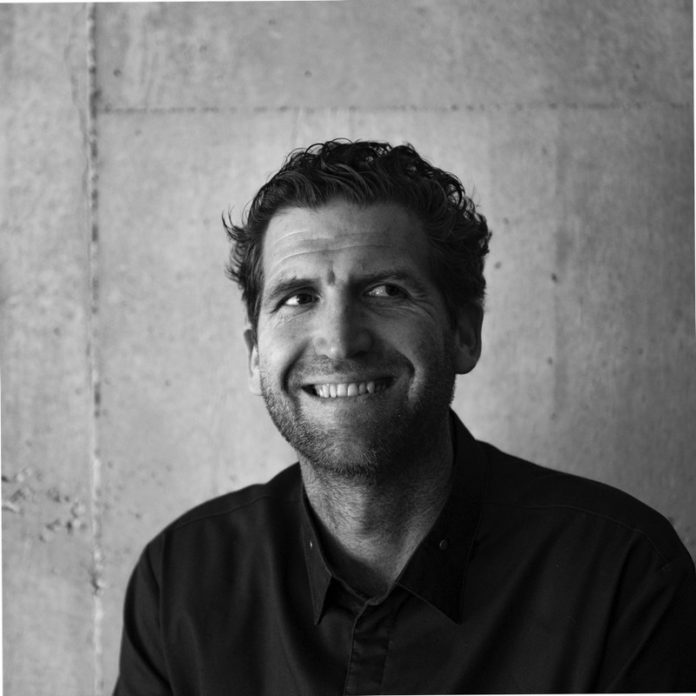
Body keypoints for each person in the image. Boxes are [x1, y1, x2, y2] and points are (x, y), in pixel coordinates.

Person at [114, 140, 696, 695]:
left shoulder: (624, 577)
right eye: (298, 299)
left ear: (464, 333)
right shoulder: (180, 582)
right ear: (253, 355)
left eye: (386, 291)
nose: (339, 341)